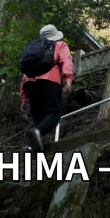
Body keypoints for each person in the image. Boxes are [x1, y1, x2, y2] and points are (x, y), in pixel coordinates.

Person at [21, 24, 73, 152]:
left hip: (31, 82)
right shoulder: (59, 44)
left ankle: (31, 148)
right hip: (50, 79)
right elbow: (66, 60)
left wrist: (25, 97)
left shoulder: (34, 49)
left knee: (38, 118)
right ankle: (36, 132)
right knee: (54, 114)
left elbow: (25, 74)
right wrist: (68, 79)